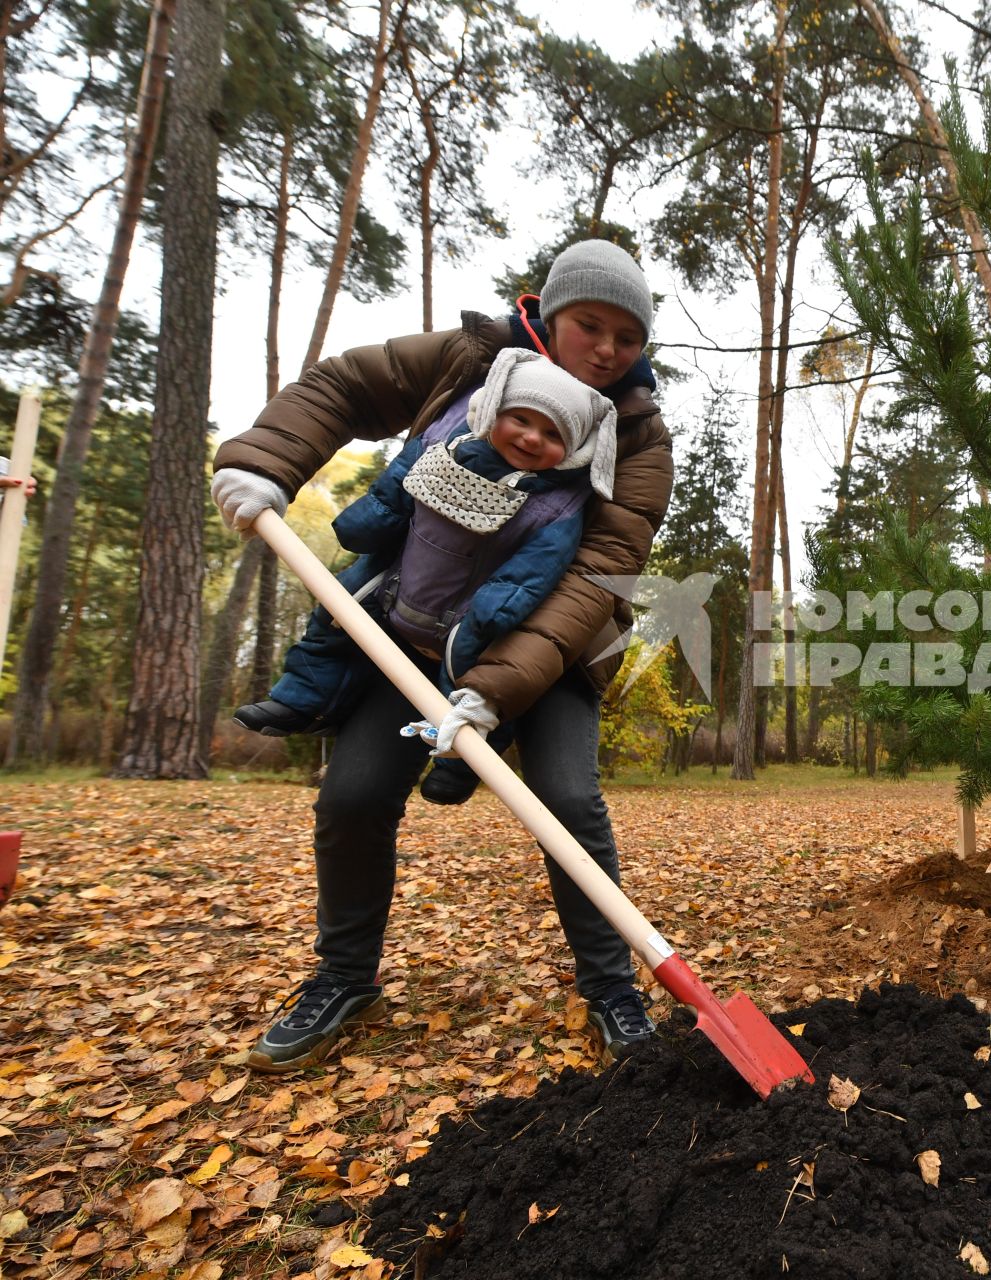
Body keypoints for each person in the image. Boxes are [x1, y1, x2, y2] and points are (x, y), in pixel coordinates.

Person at [209, 239, 672, 1072]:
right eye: (589, 325)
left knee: (567, 799)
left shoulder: (636, 438)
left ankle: (612, 990)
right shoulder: (465, 364)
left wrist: (494, 689)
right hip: (415, 634)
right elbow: (344, 386)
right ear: (547, 313)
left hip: (551, 649)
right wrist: (264, 461)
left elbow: (601, 576)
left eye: (626, 337)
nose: (605, 349)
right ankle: (344, 978)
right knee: (351, 796)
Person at [232, 348, 617, 808]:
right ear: (494, 410)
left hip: (466, 617)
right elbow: (397, 485)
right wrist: (368, 520)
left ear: (572, 451)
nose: (533, 438)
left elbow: (539, 566)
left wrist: (498, 609)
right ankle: (300, 697)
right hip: (399, 584)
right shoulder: (447, 447)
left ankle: (460, 765)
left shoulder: (556, 506)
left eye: (553, 434)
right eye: (521, 419)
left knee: (474, 688)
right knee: (337, 613)